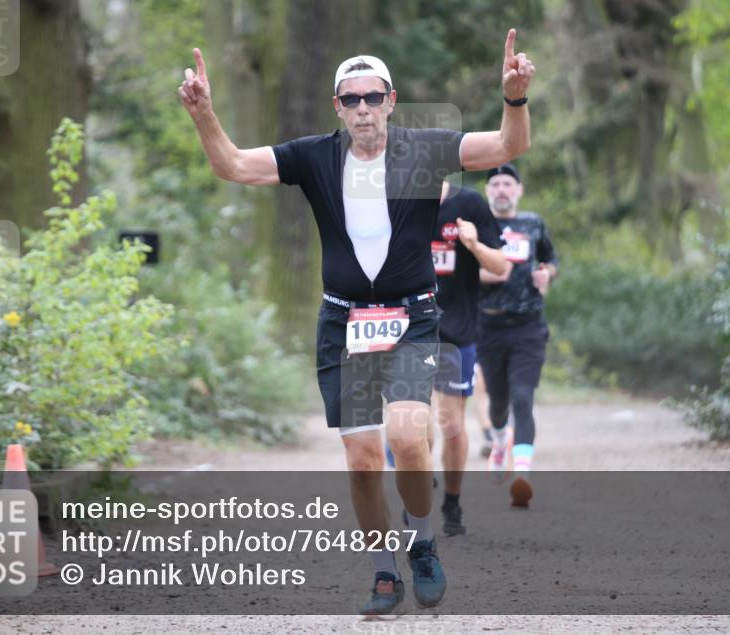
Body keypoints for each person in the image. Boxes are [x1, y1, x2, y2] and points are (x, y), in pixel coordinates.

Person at [178, 30, 534, 614]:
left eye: (372, 97)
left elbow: (506, 145)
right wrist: (204, 115)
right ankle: (383, 572)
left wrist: (514, 97)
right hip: (344, 323)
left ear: (391, 101)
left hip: (412, 317)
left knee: (407, 438)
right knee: (364, 461)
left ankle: (422, 542)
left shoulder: (425, 150)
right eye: (351, 99)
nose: (363, 108)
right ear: (337, 107)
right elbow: (234, 165)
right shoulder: (314, 155)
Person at [476, 163, 557, 509]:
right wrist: (484, 275)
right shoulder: (477, 226)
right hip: (488, 326)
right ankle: (499, 442)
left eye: (508, 184)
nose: (501, 189)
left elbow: (550, 259)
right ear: (487, 192)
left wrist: (547, 274)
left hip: (528, 326)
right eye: (495, 184)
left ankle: (522, 474)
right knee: (497, 404)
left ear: (519, 190)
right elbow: (458, 272)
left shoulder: (533, 223)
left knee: (523, 397)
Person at [431, 180, 507, 536]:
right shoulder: (392, 198)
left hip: (454, 330)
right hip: (406, 328)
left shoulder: (469, 203)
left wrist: (473, 244)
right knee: (410, 422)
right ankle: (416, 491)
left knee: (451, 425)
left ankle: (452, 500)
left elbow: (500, 266)